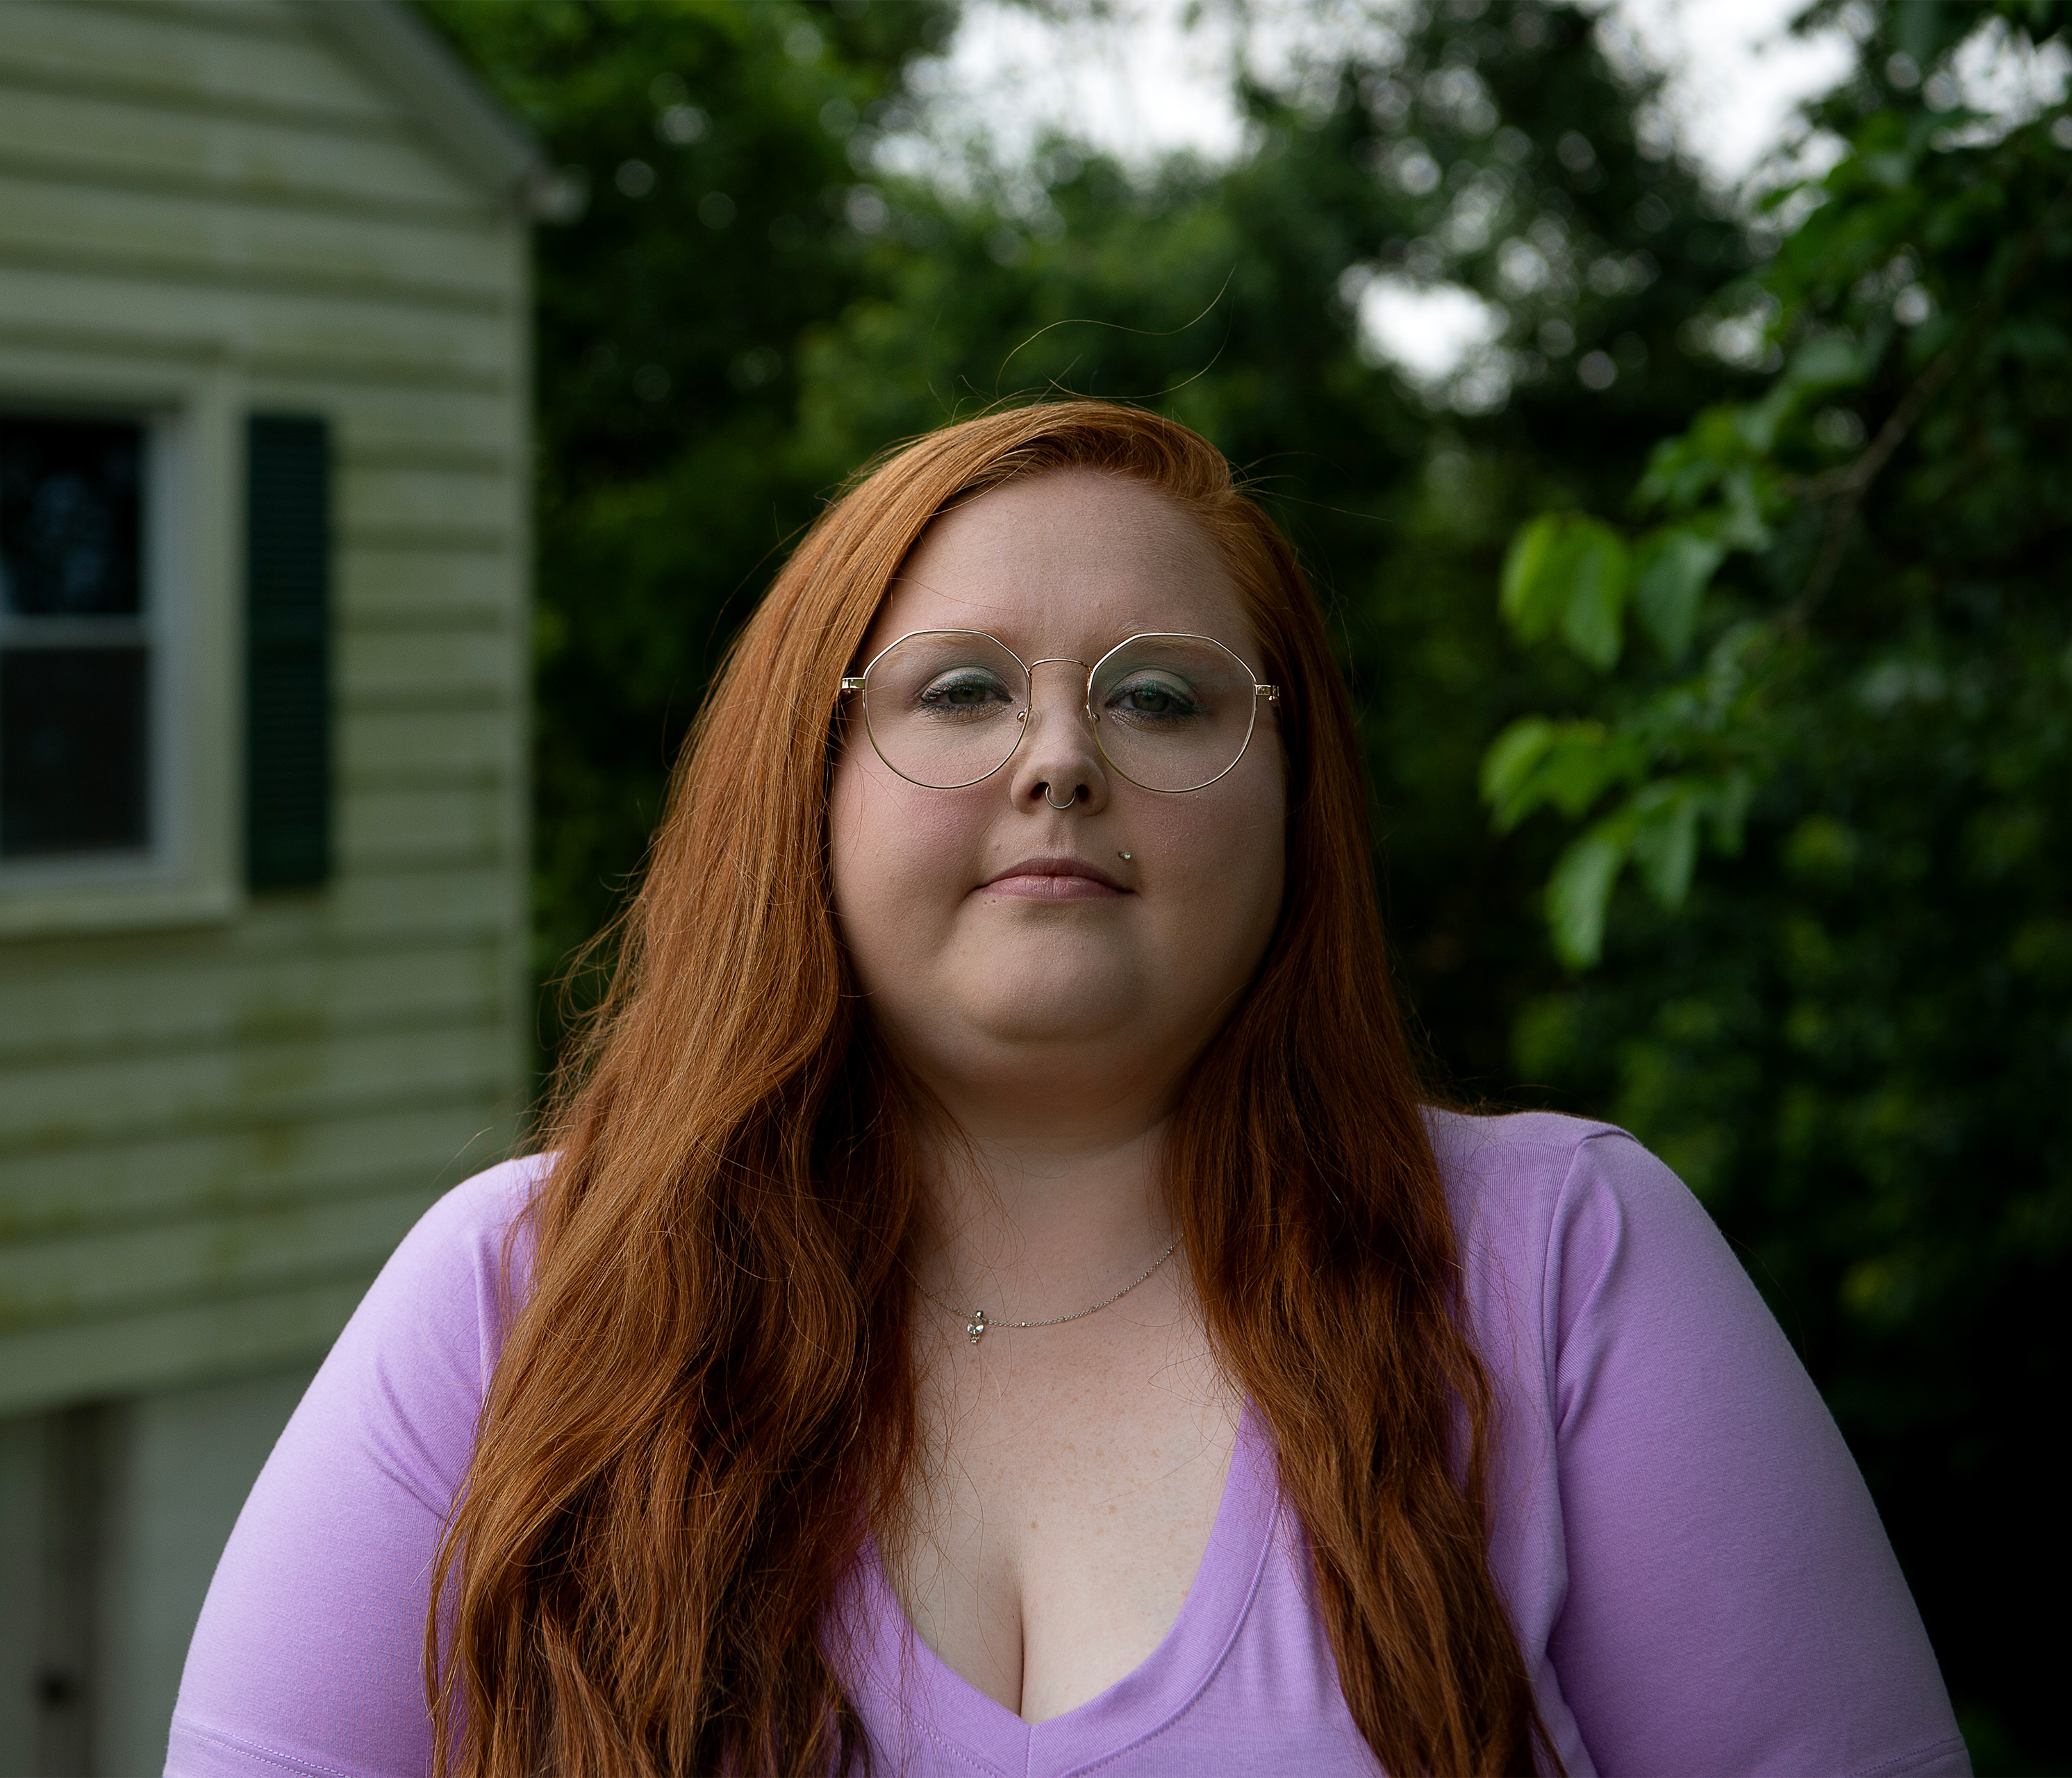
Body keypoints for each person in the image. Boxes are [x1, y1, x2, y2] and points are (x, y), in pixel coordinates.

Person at [167, 404, 1965, 1777]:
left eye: (1166, 702)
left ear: (1293, 811)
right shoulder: (512, 1300)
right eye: (959, 689)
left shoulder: (1568, 1264)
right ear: (802, 789)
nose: (1060, 762)